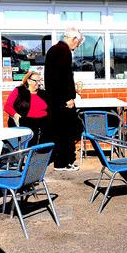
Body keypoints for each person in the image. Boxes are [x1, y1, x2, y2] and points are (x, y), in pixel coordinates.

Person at [44, 27, 85, 171]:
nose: (77, 46)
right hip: (62, 100)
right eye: (78, 43)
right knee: (67, 132)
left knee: (59, 132)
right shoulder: (64, 51)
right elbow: (64, 77)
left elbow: (53, 79)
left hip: (54, 99)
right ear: (74, 39)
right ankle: (64, 162)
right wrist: (69, 98)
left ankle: (60, 162)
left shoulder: (53, 49)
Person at [3, 70, 49, 146]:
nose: (39, 83)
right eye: (36, 81)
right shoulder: (19, 90)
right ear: (29, 81)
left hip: (42, 125)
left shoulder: (43, 93)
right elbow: (7, 106)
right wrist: (15, 115)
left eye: (40, 81)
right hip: (25, 124)